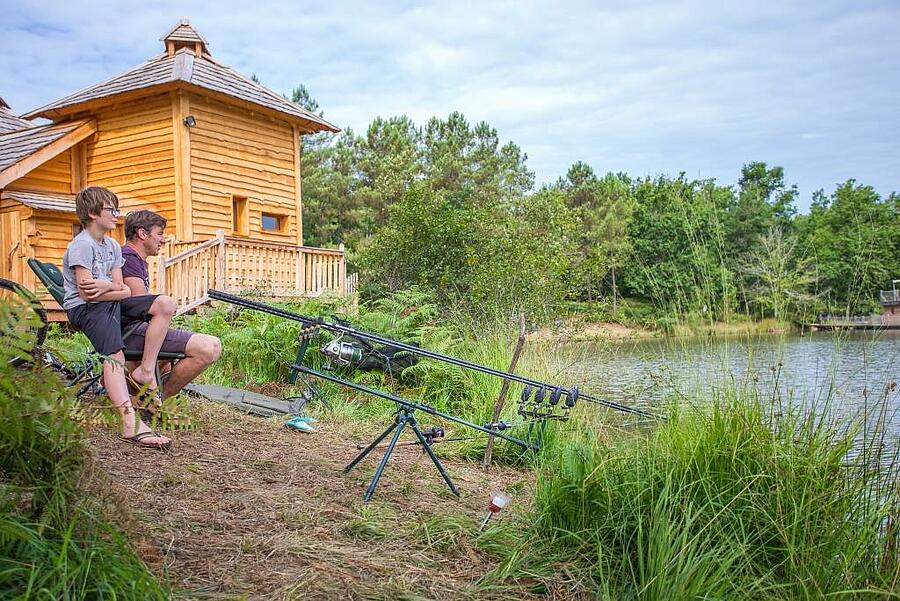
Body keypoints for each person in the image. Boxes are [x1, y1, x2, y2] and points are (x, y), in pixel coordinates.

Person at [62, 187, 175, 450]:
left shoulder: (113, 246)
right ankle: (129, 423)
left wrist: (107, 288)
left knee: (165, 304)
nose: (117, 215)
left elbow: (123, 290)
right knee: (115, 357)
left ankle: (146, 370)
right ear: (92, 213)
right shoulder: (81, 245)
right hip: (86, 309)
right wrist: (109, 289)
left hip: (112, 303)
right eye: (111, 210)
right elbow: (87, 293)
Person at [122, 210, 222, 401]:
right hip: (129, 331)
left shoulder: (134, 259)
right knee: (210, 347)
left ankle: (148, 396)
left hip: (133, 330)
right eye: (159, 234)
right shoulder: (129, 257)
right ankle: (157, 399)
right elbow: (138, 307)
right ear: (142, 234)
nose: (164, 240)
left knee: (192, 348)